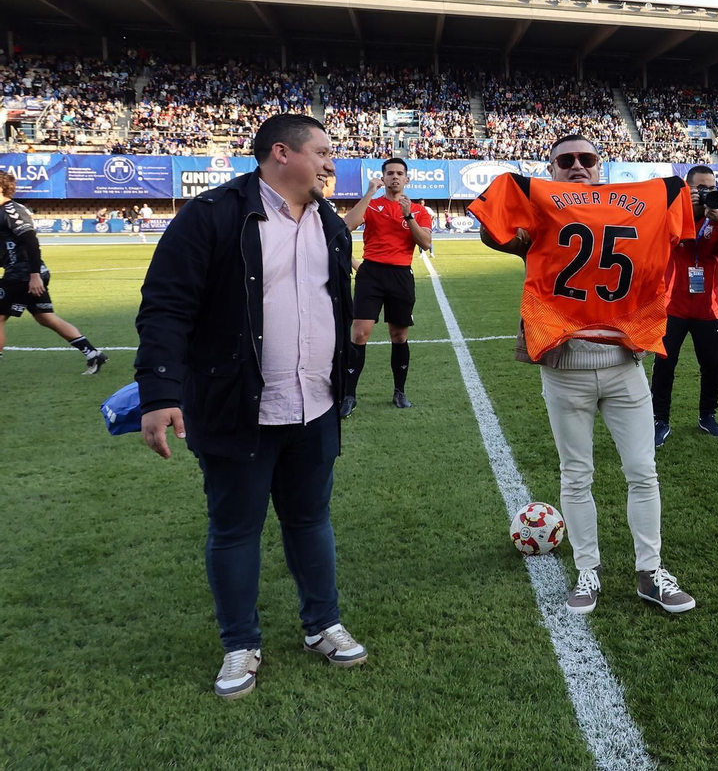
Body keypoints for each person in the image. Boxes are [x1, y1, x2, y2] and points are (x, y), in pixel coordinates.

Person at [134, 114, 365, 700]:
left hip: (314, 405)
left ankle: (323, 625)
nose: (330, 163)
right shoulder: (212, 216)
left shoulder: (331, 224)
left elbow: (333, 305)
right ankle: (240, 643)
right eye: (322, 152)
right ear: (281, 154)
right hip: (236, 407)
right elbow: (165, 306)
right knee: (235, 529)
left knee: (311, 519)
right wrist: (159, 393)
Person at [471, 133, 696, 616]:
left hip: (623, 363)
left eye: (587, 159)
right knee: (576, 476)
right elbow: (496, 233)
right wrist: (520, 195)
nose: (577, 166)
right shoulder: (540, 212)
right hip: (564, 366)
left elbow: (678, 226)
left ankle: (648, 570)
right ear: (549, 169)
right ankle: (587, 572)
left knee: (643, 472)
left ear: (601, 166)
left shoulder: (638, 205)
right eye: (565, 160)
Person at [651, 165, 718, 445]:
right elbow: (661, 241)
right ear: (687, 189)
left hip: (708, 309)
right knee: (664, 365)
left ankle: (707, 416)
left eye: (710, 188)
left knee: (712, 366)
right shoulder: (672, 214)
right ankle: (660, 420)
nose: (705, 194)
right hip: (672, 307)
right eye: (700, 188)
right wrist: (683, 210)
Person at [340, 158, 434, 414]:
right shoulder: (373, 205)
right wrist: (370, 192)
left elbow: (425, 243)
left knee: (399, 335)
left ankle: (399, 391)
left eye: (399, 173)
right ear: (383, 178)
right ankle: (348, 395)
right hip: (371, 273)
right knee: (359, 334)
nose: (394, 177)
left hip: (401, 274)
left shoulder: (419, 210)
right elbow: (347, 225)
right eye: (390, 173)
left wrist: (408, 216)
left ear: (407, 179)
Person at [0, 172, 109, 373]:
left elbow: (31, 240)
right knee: (45, 317)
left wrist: (33, 275)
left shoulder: (10, 209)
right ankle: (93, 354)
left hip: (23, 273)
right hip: (26, 272)